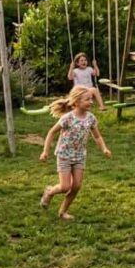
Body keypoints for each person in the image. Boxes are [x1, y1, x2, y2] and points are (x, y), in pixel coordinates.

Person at [39, 86, 111, 220]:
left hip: (79, 156)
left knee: (76, 186)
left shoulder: (91, 118)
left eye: (91, 99)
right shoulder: (68, 118)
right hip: (64, 155)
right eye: (87, 99)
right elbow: (51, 132)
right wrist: (45, 152)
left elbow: (97, 136)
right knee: (65, 186)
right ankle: (49, 192)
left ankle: (62, 212)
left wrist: (104, 149)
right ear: (76, 102)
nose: (91, 102)